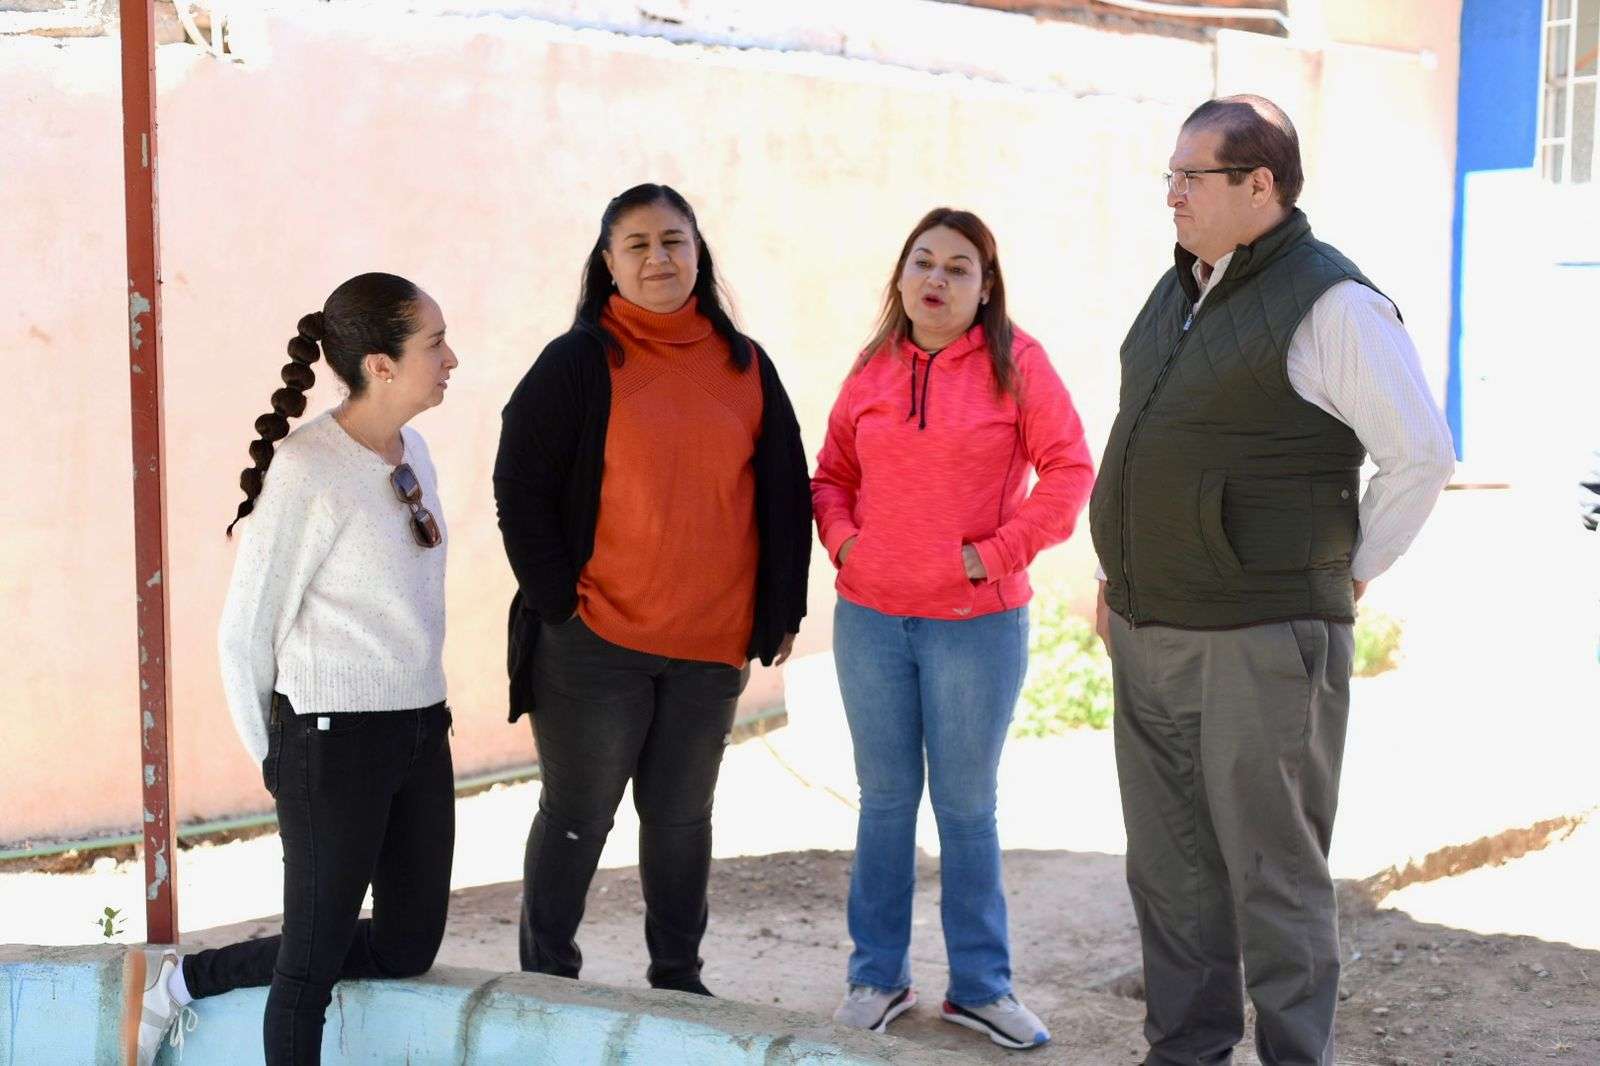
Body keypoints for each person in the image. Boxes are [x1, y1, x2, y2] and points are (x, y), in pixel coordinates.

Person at [1088, 96, 1456, 1065]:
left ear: (1260, 186)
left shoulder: (1333, 302)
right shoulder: (1181, 286)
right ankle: (1186, 1053)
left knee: (1273, 879)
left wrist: (1348, 573)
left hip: (1259, 640)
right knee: (1169, 877)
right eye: (1166, 174)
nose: (1168, 194)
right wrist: (1114, 571)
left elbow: (1419, 454)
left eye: (1188, 177)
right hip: (1147, 628)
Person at [128, 273, 460, 1066]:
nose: (452, 358)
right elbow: (245, 633)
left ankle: (189, 978)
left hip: (420, 729)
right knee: (309, 968)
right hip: (330, 740)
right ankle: (176, 989)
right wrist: (279, 760)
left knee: (406, 945)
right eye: (435, 343)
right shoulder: (308, 471)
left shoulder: (414, 450)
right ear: (379, 364)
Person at [493, 183, 811, 996]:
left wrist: (781, 607)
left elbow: (784, 490)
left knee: (680, 824)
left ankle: (678, 981)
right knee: (577, 818)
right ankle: (547, 983)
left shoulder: (744, 364)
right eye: (635, 245)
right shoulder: (579, 361)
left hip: (709, 648)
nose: (657, 258)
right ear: (608, 265)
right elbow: (519, 485)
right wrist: (561, 602)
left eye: (673, 240)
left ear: (699, 253)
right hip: (596, 644)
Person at [811, 208, 1094, 1050]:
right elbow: (830, 475)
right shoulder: (871, 369)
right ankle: (878, 976)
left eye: (958, 268)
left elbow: (1070, 470)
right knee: (885, 803)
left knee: (967, 808)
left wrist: (995, 554)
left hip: (975, 625)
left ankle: (980, 987)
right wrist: (849, 546)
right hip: (871, 621)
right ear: (900, 278)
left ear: (985, 286)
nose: (937, 280)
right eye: (923, 263)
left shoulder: (1019, 364)